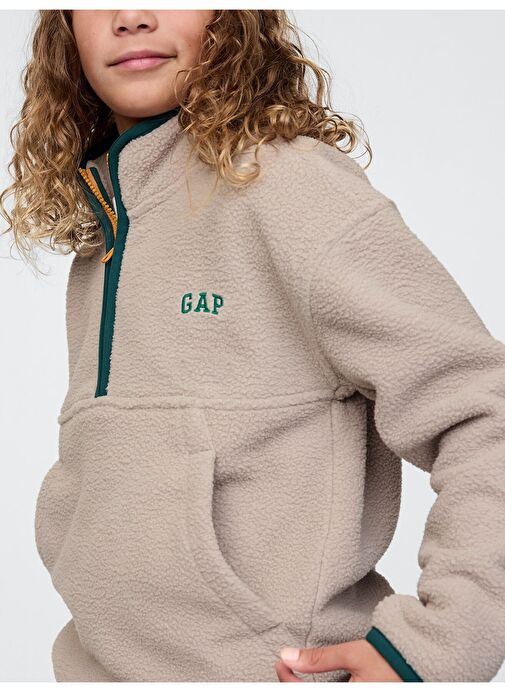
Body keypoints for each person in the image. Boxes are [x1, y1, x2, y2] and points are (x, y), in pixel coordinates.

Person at [2, 9, 504, 684]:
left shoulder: (290, 187)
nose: (131, 18)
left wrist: (441, 644)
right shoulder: (108, 227)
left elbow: (483, 409)